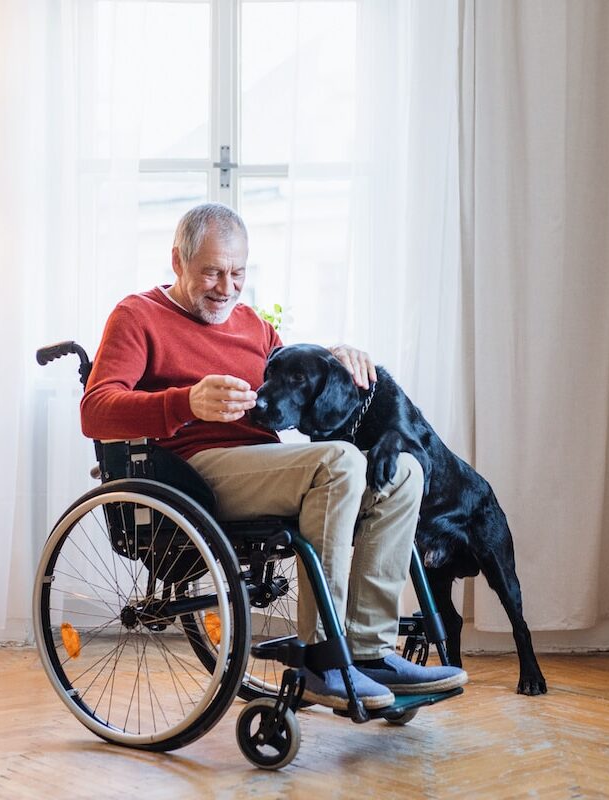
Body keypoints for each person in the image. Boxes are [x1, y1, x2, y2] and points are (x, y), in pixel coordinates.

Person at [81, 202, 467, 710]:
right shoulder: (138, 316)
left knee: (404, 472)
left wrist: (338, 358)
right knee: (340, 462)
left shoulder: (254, 327)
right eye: (212, 272)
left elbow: (299, 384)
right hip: (193, 473)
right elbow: (97, 410)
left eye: (238, 273)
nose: (226, 287)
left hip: (269, 466)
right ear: (177, 261)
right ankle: (320, 658)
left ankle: (368, 651)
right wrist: (185, 401)